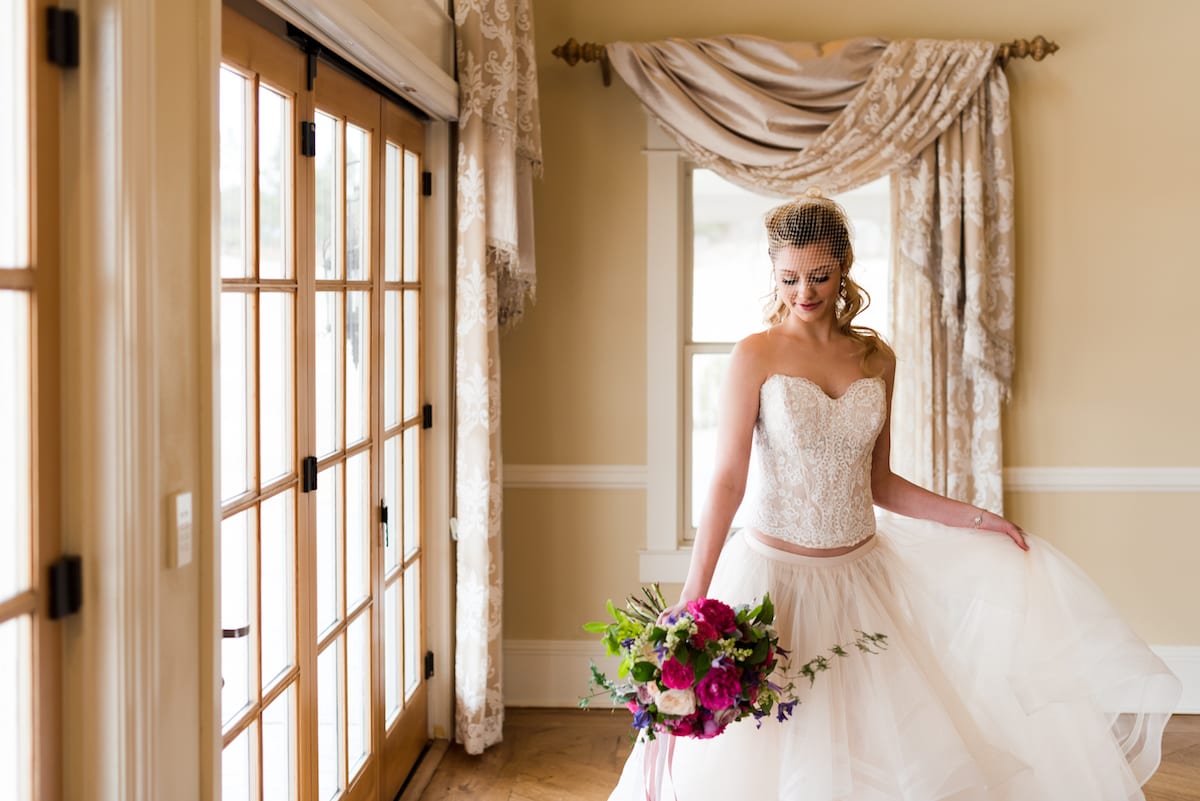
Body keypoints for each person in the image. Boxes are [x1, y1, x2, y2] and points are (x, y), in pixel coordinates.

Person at [608, 192, 1181, 800]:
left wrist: (978, 517)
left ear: (845, 267)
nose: (804, 291)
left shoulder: (876, 359)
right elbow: (728, 479)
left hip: (861, 583)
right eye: (789, 277)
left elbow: (880, 483)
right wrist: (694, 595)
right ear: (773, 271)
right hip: (773, 584)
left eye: (820, 276)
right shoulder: (755, 354)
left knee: (881, 755)